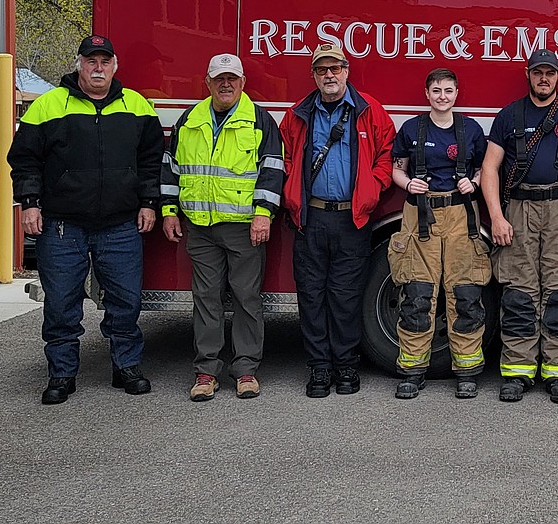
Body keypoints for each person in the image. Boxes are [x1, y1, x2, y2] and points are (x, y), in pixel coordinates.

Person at [8, 35, 163, 405]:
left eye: (104, 61)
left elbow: (151, 160)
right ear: (79, 64)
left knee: (126, 302)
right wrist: (29, 203)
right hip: (62, 225)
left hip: (121, 224)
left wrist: (148, 203)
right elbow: (25, 159)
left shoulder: (137, 105)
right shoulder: (48, 105)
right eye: (91, 61)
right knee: (61, 304)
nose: (98, 68)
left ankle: (126, 367)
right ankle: (61, 374)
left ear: (115, 66)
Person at [479, 48, 558, 404]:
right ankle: (517, 372)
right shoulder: (509, 115)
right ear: (528, 74)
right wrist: (497, 217)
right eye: (538, 73)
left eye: (549, 73)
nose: (543, 78)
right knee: (518, 293)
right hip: (519, 209)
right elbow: (489, 169)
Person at [160, 53, 285, 401]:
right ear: (208, 83)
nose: (225, 84)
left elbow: (273, 170)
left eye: (232, 78)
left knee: (246, 298)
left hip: (244, 228)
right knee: (206, 300)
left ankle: (245, 370)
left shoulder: (259, 121)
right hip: (199, 226)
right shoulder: (190, 119)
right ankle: (206, 372)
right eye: (219, 79)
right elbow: (171, 168)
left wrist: (263, 214)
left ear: (243, 83)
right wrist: (170, 211)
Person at [281, 42, 396, 398]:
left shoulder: (369, 111)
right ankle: (318, 368)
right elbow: (283, 155)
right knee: (312, 296)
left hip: (352, 219)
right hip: (311, 217)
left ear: (346, 71)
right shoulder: (299, 114)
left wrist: (373, 189)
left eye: (335, 68)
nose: (329, 76)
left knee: (346, 297)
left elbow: (386, 155)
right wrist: (291, 191)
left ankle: (346, 366)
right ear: (313, 75)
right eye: (321, 70)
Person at [389, 68, 490, 400]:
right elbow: (396, 168)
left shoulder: (471, 130)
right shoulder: (411, 129)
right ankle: (412, 370)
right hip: (421, 215)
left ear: (456, 94)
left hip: (462, 215)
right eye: (436, 91)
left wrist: (472, 182)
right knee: (417, 294)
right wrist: (408, 183)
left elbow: (483, 167)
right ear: (427, 93)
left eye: (448, 91)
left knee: (465, 294)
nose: (442, 96)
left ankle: (467, 371)